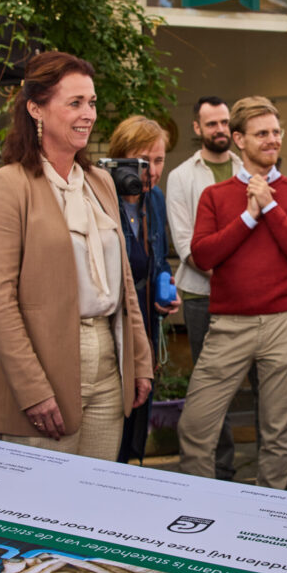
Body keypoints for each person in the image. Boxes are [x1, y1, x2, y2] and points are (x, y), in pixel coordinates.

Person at [0, 51, 152, 459]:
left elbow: (124, 283)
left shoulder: (100, 182)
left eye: (90, 102)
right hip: (44, 361)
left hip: (108, 357)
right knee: (41, 507)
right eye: (75, 103)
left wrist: (140, 360)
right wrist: (31, 389)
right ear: (36, 108)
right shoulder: (6, 186)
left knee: (98, 499)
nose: (88, 113)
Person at [177, 96, 287, 491]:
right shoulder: (215, 196)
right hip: (229, 324)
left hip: (283, 324)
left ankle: (267, 517)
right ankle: (200, 510)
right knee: (195, 426)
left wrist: (271, 209)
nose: (272, 140)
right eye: (262, 134)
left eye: (276, 132)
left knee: (277, 433)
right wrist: (249, 216)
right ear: (239, 139)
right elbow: (203, 254)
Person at [165, 96, 244, 482]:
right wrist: (236, 278)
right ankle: (220, 469)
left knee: (254, 384)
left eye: (224, 122)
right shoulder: (181, 177)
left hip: (248, 300)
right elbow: (186, 246)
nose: (219, 130)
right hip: (202, 297)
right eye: (211, 124)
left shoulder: (248, 170)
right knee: (211, 387)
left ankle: (270, 472)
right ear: (197, 128)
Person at [105, 115, 181, 462]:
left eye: (159, 160)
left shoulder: (156, 199)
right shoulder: (101, 197)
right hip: (111, 328)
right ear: (119, 158)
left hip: (146, 326)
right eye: (142, 160)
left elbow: (159, 259)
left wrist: (166, 290)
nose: (151, 170)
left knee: (140, 407)